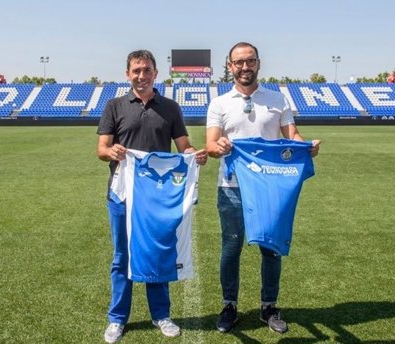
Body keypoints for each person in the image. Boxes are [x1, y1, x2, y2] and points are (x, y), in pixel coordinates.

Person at [205, 42, 320, 334]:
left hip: (271, 187)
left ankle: (269, 306)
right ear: (230, 66)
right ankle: (229, 305)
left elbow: (291, 134)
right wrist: (218, 147)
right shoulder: (219, 103)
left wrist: (307, 147)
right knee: (231, 247)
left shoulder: (277, 99)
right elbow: (210, 144)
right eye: (239, 62)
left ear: (258, 63)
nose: (245, 67)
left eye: (250, 61)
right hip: (231, 187)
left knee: (271, 248)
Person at [96, 49, 207, 343]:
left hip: (157, 196)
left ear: (156, 74)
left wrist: (192, 155)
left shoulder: (170, 108)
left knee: (157, 253)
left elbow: (183, 145)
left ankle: (161, 315)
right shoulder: (115, 106)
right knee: (122, 257)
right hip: (122, 195)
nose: (141, 75)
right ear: (128, 74)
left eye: (146, 70)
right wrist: (112, 151)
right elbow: (101, 149)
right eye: (136, 70)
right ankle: (117, 319)